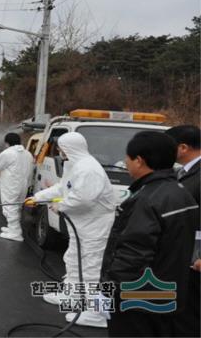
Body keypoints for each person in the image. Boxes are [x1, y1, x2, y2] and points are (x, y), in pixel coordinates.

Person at [100, 131, 198, 337]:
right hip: (169, 291)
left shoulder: (147, 200)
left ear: (139, 161)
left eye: (127, 158)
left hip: (138, 298)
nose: (125, 163)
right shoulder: (180, 192)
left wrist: (111, 290)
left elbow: (133, 254)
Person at [25, 132, 115, 328]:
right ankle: (72, 295)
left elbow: (83, 198)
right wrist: (38, 197)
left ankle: (95, 314)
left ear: (70, 148)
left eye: (61, 148)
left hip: (95, 225)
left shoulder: (89, 169)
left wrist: (62, 206)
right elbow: (62, 188)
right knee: (73, 258)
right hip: (82, 223)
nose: (59, 151)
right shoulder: (74, 164)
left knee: (89, 266)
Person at [165, 125, 200, 337]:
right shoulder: (184, 172)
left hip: (196, 257)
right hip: (183, 253)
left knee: (191, 314)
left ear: (183, 147)